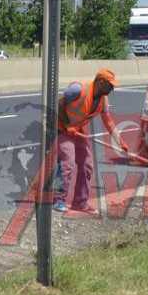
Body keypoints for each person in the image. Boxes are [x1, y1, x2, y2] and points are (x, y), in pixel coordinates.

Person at [54, 69, 129, 213]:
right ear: (100, 82)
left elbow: (109, 122)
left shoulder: (103, 100)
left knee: (86, 165)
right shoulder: (78, 89)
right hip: (61, 128)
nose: (112, 89)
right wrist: (67, 125)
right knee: (67, 164)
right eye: (110, 85)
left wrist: (120, 142)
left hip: (78, 130)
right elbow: (59, 105)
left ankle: (80, 203)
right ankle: (59, 200)